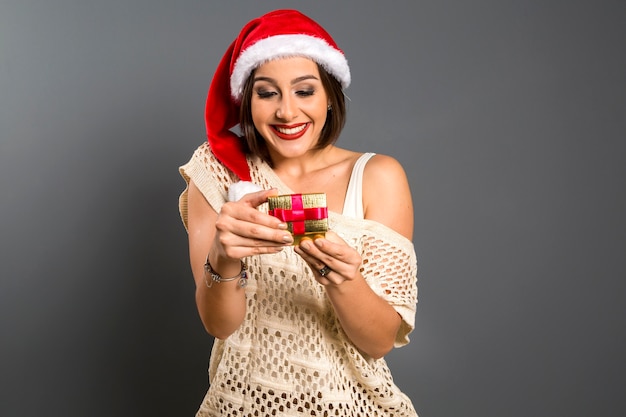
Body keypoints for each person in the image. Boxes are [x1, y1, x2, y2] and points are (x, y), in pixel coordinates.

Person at [178, 9, 418, 416]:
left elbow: (378, 343)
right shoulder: (218, 172)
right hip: (241, 404)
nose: (287, 112)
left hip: (351, 406)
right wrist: (224, 254)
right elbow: (220, 325)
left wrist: (342, 278)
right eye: (267, 93)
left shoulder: (378, 175)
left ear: (329, 95)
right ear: (246, 100)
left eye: (304, 91)